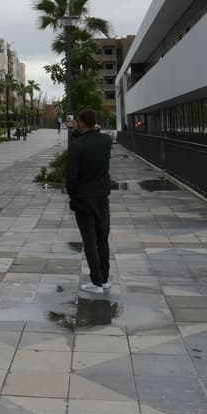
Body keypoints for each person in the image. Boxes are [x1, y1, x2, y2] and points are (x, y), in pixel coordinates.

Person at [66, 109, 114, 295]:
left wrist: (73, 197)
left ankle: (96, 282)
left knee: (89, 240)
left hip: (84, 198)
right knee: (103, 239)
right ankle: (104, 278)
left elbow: (71, 177)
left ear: (80, 122)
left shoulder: (77, 146)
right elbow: (95, 138)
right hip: (102, 197)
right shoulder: (107, 141)